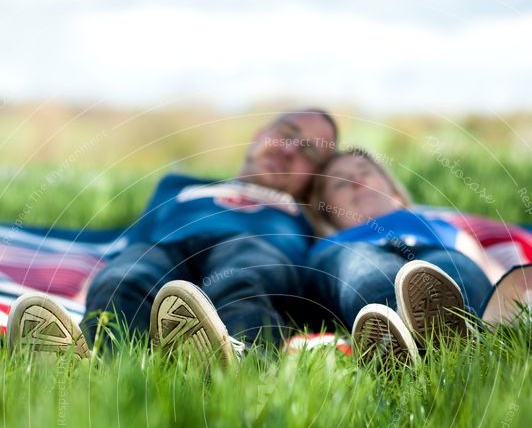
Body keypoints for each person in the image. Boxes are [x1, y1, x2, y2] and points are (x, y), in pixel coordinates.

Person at [7, 109, 337, 364]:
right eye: (286, 134)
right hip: (164, 247)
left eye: (308, 151)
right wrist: (95, 277)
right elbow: (134, 239)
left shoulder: (304, 212)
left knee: (239, 282)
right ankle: (106, 366)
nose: (291, 149)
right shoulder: (179, 186)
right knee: (124, 279)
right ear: (258, 136)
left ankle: (243, 363)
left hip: (255, 251)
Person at [302, 148, 495, 363]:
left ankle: (459, 326)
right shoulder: (327, 247)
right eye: (339, 183)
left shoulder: (437, 225)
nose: (356, 180)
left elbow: (486, 268)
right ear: (324, 209)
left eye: (365, 171)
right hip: (350, 249)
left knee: (452, 264)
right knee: (361, 264)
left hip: (429, 250)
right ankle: (397, 325)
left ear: (393, 190)